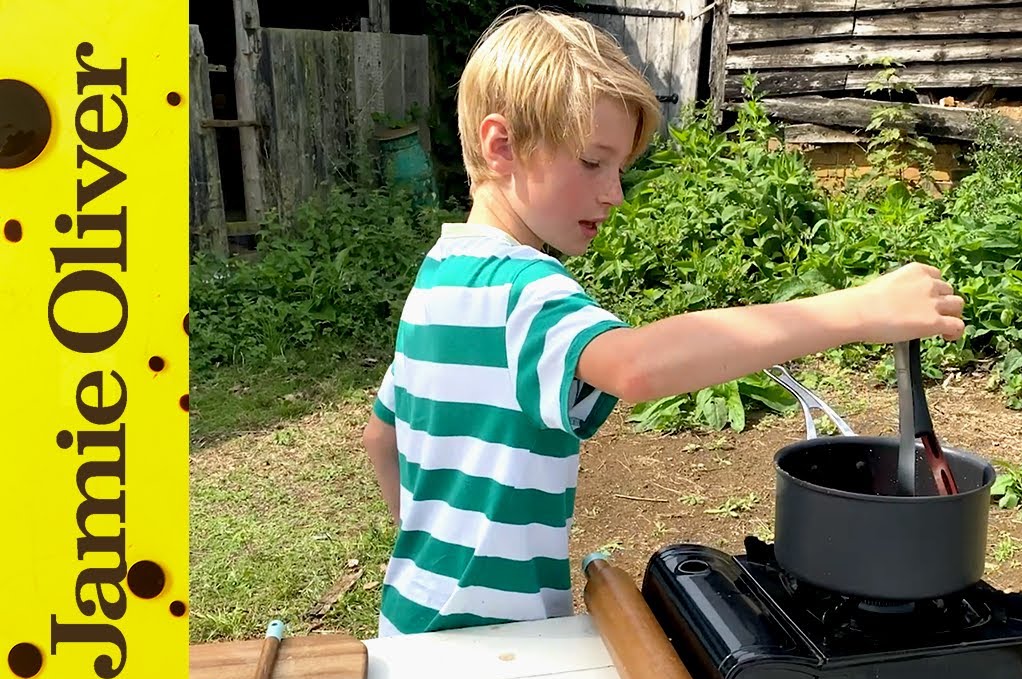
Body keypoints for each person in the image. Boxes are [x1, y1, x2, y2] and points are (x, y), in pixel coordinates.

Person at [361, 6, 965, 638]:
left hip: (409, 618)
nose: (613, 192)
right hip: (489, 644)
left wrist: (440, 549)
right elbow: (636, 366)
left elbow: (381, 437)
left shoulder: (438, 278)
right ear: (502, 145)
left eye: (619, 168)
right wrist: (854, 310)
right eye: (593, 162)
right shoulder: (525, 290)